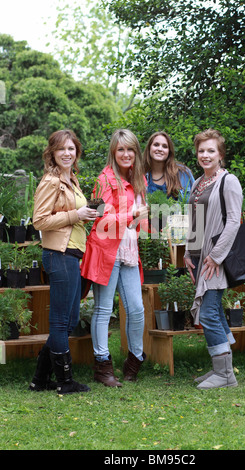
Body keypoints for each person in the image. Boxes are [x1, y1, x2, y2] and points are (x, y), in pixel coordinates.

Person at [29, 129, 98, 395]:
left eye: (71, 149)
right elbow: (40, 221)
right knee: (60, 321)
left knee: (69, 320)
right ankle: (65, 381)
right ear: (52, 153)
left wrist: (84, 215)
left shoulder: (72, 180)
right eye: (61, 149)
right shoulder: (51, 181)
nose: (67, 153)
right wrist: (75, 214)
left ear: (76, 151)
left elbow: (71, 214)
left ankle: (40, 379)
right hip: (59, 253)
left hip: (72, 254)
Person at [80, 129, 149, 387]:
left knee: (137, 308)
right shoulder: (103, 180)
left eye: (130, 149)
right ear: (113, 152)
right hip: (106, 251)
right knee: (104, 309)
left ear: (136, 152)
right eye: (120, 149)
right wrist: (132, 217)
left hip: (128, 251)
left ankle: (135, 359)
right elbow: (100, 219)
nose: (126, 154)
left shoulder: (138, 179)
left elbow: (140, 219)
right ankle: (102, 365)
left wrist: (145, 219)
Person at [184, 128, 243, 390]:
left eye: (211, 151)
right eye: (201, 151)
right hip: (198, 258)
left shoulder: (229, 181)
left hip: (214, 258)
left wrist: (216, 256)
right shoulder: (198, 183)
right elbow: (194, 222)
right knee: (215, 312)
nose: (205, 155)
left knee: (207, 313)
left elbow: (233, 222)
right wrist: (188, 252)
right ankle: (220, 369)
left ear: (220, 154)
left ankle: (226, 376)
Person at [143, 131, 194, 201]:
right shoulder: (141, 175)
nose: (160, 149)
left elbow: (196, 203)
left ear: (169, 151)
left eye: (164, 146)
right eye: (156, 145)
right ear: (149, 148)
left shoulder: (182, 173)